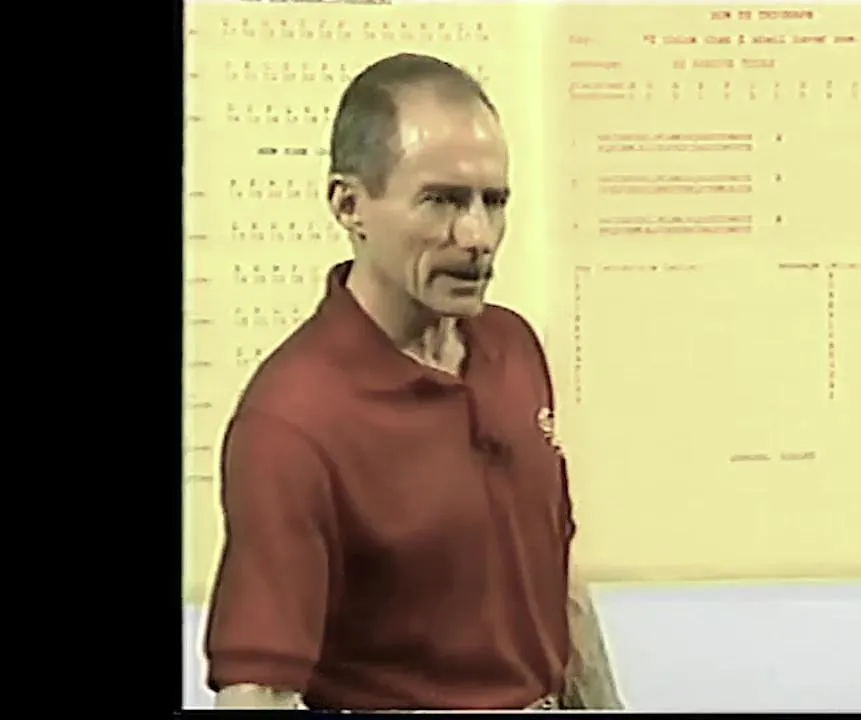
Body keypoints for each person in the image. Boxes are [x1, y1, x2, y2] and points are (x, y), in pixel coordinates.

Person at [204, 53, 623, 711]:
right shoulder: (292, 421)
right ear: (350, 205)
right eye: (442, 201)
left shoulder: (513, 347)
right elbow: (259, 688)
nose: (478, 236)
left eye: (494, 201)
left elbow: (557, 574)